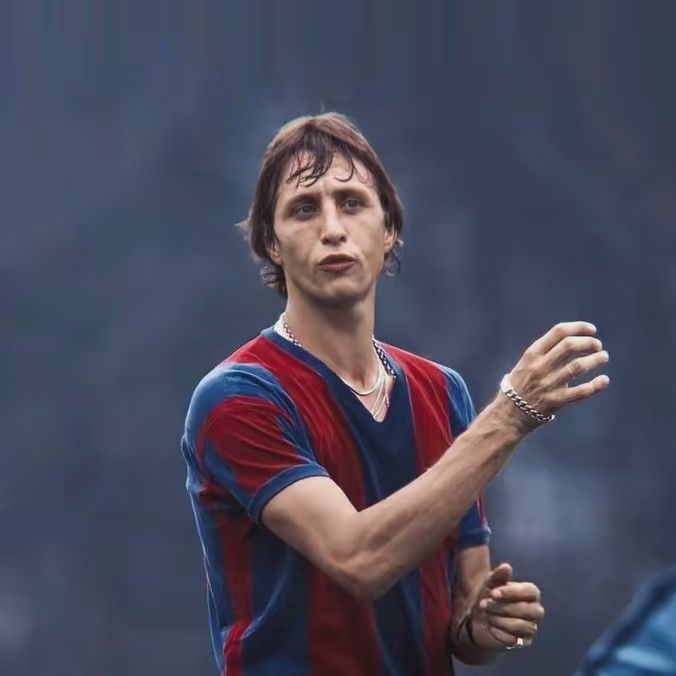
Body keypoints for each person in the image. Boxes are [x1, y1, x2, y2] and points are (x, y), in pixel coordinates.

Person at [181, 112, 610, 675]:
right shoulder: (239, 398)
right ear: (271, 243)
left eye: (352, 203)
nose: (332, 228)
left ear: (388, 231)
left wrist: (481, 626)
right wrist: (509, 416)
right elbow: (359, 559)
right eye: (304, 209)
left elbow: (464, 614)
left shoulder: (443, 391)